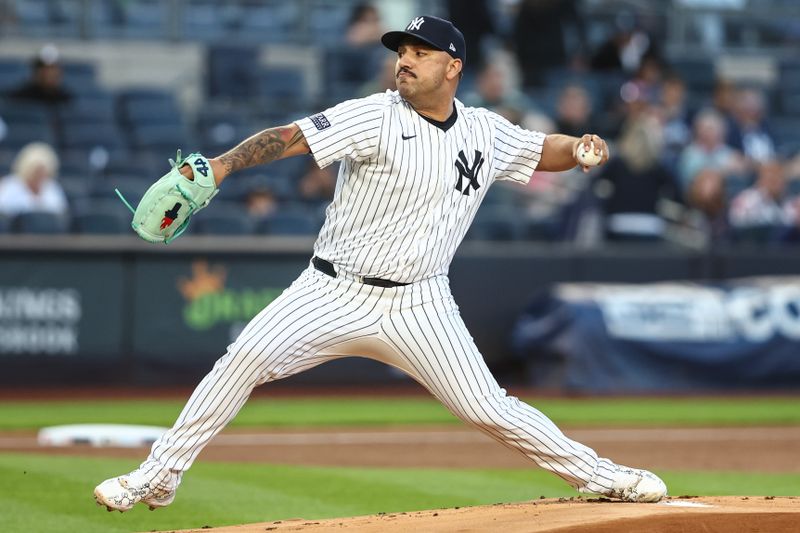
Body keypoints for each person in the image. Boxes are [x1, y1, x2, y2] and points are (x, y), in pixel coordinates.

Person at [93, 15, 667, 513]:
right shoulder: (375, 115)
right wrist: (219, 168)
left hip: (420, 302)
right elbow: (290, 136)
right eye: (401, 53)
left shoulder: (485, 131)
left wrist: (583, 147)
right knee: (241, 359)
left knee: (491, 409)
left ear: (454, 68)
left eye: (421, 54)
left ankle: (604, 477)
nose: (406, 62)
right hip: (330, 290)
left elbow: (544, 150)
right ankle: (156, 476)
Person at [0, 142, 68, 217]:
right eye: (36, 171)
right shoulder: (11, 184)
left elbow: (60, 211)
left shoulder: (52, 187)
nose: (40, 175)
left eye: (43, 172)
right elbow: (3, 211)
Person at [6, 44, 72, 106]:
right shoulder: (19, 98)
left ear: (59, 71)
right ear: (35, 70)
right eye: (42, 67)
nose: (47, 72)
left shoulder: (66, 99)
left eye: (52, 67)